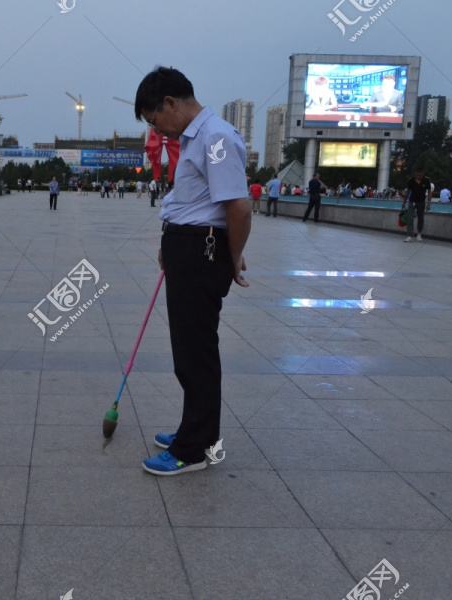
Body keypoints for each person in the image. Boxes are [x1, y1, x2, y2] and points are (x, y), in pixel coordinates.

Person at [135, 66, 251, 476]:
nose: (157, 130)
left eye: (154, 120)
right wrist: (172, 244)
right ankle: (196, 429)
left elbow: (238, 205)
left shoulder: (215, 137)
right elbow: (195, 201)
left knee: (194, 354)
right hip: (187, 247)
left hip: (202, 253)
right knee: (190, 350)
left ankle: (193, 449)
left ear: (170, 103)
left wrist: (231, 258)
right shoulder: (196, 138)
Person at [403, 169, 432, 242]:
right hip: (412, 201)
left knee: (420, 218)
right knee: (410, 218)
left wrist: (428, 204)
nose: (418, 177)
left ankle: (419, 234)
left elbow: (429, 192)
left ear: (423, 174)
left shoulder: (426, 181)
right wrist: (404, 203)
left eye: (420, 175)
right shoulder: (411, 181)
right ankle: (409, 235)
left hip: (421, 202)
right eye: (417, 175)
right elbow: (407, 192)